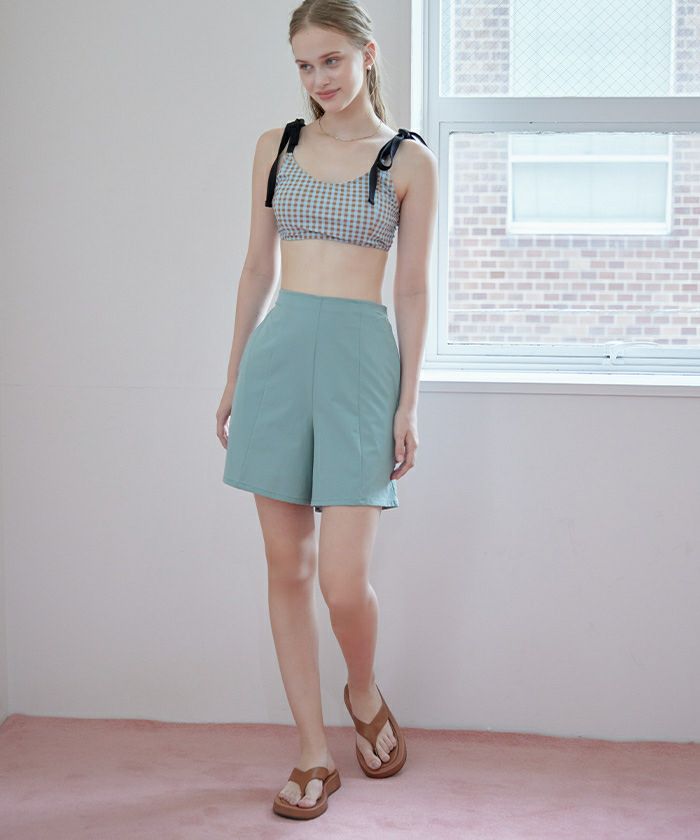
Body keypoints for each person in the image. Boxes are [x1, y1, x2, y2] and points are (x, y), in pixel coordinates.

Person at [215, 0, 437, 821]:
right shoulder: (277, 147)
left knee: (344, 584)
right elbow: (255, 269)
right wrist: (233, 376)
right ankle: (312, 750)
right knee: (288, 570)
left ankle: (363, 690)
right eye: (305, 66)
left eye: (332, 61)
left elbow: (412, 291)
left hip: (362, 367)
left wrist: (409, 402)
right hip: (278, 364)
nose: (319, 79)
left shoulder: (408, 161)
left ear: (367, 54)